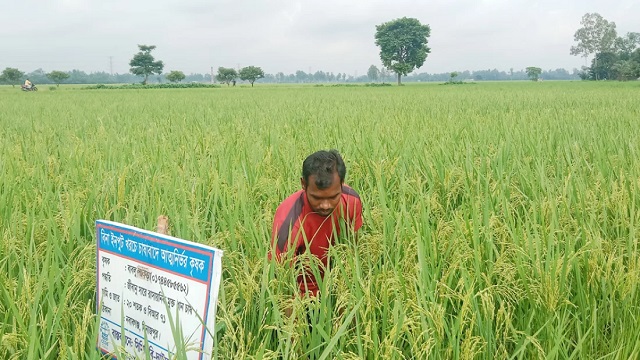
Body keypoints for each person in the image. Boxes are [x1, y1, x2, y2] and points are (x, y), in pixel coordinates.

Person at [269, 150, 363, 297]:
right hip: (301, 295)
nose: (325, 205)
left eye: (333, 197)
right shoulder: (288, 223)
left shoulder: (351, 201)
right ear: (303, 184)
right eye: (317, 198)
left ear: (342, 184)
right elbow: (283, 284)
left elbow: (351, 253)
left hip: (338, 287)